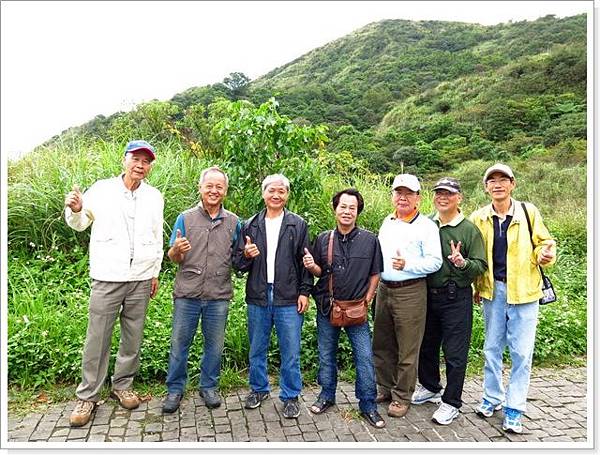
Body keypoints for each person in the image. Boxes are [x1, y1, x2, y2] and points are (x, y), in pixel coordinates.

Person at [64, 140, 164, 427]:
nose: (140, 165)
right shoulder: (102, 189)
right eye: (136, 159)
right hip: (107, 275)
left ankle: (122, 385)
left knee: (133, 335)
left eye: (146, 162)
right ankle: (88, 396)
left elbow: (157, 236)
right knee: (98, 337)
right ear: (124, 160)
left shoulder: (154, 196)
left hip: (141, 277)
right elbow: (80, 223)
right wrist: (76, 209)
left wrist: (155, 271)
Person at [469, 163, 556, 434]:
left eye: (503, 179)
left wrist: (545, 255)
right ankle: (491, 398)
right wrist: (475, 286)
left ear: (512, 184)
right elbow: (475, 255)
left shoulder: (528, 212)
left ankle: (515, 407)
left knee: (521, 352)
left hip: (525, 291)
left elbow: (545, 242)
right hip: (493, 291)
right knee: (491, 348)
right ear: (486, 187)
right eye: (492, 180)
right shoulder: (479, 217)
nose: (497, 184)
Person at [302, 188, 385, 428]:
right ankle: (326, 395)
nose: (347, 211)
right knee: (326, 354)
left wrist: (368, 299)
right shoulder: (323, 239)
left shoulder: (370, 240)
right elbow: (319, 272)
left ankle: (368, 404)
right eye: (343, 207)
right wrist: (311, 266)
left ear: (358, 211)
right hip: (328, 307)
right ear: (335, 209)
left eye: (352, 207)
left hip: (356, 310)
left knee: (364, 357)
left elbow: (375, 273)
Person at [232, 174, 312, 419]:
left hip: (288, 295)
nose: (276, 195)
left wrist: (304, 292)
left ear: (287, 195)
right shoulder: (249, 225)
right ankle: (258, 389)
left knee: (290, 350)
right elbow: (237, 264)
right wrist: (246, 254)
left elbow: (305, 261)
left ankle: (290, 395)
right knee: (257, 348)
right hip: (258, 294)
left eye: (281, 191)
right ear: (263, 193)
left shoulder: (297, 224)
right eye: (271, 191)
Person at [162, 166, 240, 413]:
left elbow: (239, 257)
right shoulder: (185, 218)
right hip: (187, 293)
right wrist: (177, 250)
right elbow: (172, 256)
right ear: (200, 188)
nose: (214, 191)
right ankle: (174, 390)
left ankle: (209, 387)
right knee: (179, 345)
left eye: (219, 187)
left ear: (225, 191)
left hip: (219, 295)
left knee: (214, 346)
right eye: (209, 186)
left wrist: (247, 254)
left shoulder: (234, 222)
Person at [411, 177, 487, 425]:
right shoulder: (425, 224)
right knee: (426, 346)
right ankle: (431, 386)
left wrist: (461, 263)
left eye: (449, 194)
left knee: (455, 353)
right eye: (439, 193)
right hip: (426, 294)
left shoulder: (468, 229)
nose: (443, 198)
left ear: (459, 198)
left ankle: (452, 402)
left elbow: (480, 265)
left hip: (456, 297)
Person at [373, 173, 442, 418]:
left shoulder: (426, 226)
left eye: (408, 194)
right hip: (384, 289)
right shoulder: (387, 221)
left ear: (417, 198)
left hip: (410, 291)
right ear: (392, 196)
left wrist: (408, 264)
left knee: (407, 348)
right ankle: (385, 387)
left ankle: (402, 396)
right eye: (398, 193)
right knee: (382, 343)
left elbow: (435, 261)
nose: (402, 198)